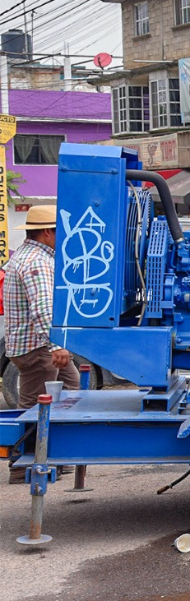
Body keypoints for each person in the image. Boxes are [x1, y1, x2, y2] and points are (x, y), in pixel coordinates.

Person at [5, 205, 78, 483]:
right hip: (36, 348)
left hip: (32, 345)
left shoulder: (26, 255)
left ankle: (60, 456)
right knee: (35, 406)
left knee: (72, 390)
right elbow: (44, 309)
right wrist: (56, 345)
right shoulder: (37, 262)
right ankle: (22, 467)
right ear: (48, 232)